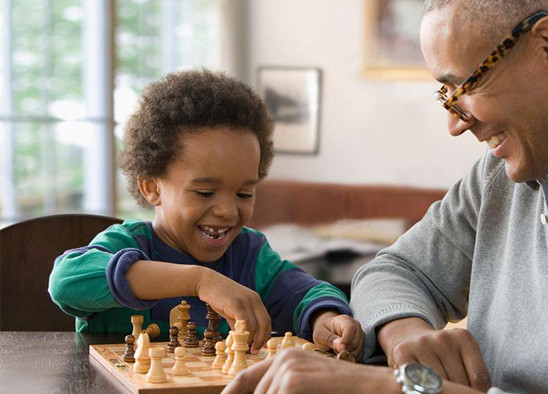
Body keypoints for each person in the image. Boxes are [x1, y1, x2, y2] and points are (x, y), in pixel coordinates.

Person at [224, 0, 548, 392]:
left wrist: (393, 387)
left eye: (462, 86)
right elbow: (391, 272)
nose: (454, 122)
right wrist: (407, 333)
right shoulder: (502, 173)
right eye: (444, 94)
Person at [48, 70, 364, 358]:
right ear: (151, 187)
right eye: (204, 192)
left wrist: (326, 318)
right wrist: (200, 280)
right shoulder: (127, 245)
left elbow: (307, 291)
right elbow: (66, 282)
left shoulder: (250, 255)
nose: (227, 210)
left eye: (244, 193)